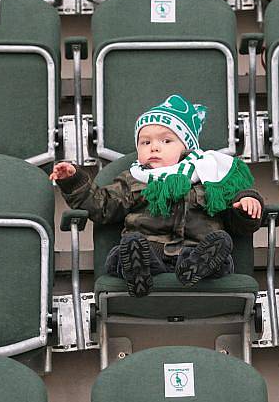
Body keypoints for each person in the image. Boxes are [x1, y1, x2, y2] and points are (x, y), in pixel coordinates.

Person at [50, 94, 263, 297]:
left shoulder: (212, 176)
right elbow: (102, 206)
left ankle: (195, 269)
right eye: (145, 142)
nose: (154, 147)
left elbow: (237, 222)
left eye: (166, 141)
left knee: (222, 247)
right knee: (123, 252)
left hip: (196, 250)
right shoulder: (133, 178)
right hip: (150, 250)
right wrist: (73, 179)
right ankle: (138, 272)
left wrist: (246, 206)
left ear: (187, 146)